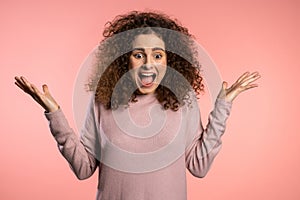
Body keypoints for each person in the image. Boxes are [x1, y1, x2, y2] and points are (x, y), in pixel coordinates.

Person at [14, 11, 260, 200]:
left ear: (170, 60)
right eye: (138, 54)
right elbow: (84, 168)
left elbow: (199, 166)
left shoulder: (183, 102)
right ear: (124, 59)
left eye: (158, 55)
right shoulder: (102, 102)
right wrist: (54, 114)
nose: (148, 64)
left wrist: (223, 107)